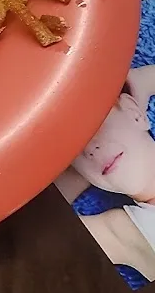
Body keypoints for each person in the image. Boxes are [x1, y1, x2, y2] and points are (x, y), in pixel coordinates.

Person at [56, 64, 155, 287]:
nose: (89, 150)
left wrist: (142, 80)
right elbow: (25, 232)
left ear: (135, 113)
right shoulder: (123, 232)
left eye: (95, 125)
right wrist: (75, 171)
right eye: (75, 150)